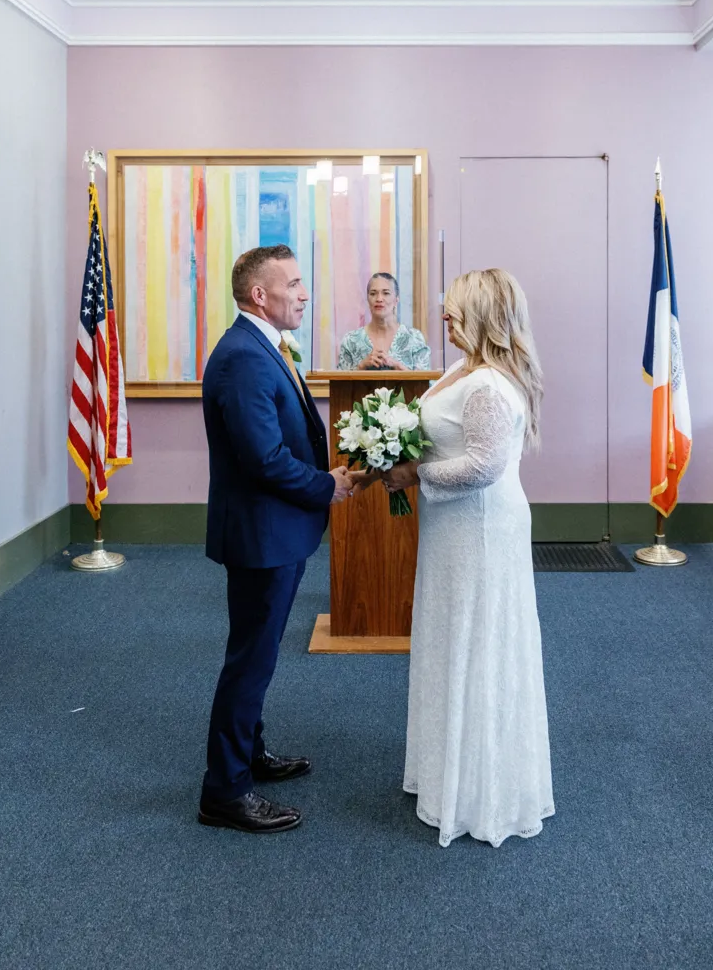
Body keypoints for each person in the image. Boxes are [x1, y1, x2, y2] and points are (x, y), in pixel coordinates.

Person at [354, 268, 553, 847]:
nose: (443, 314)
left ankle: (480, 792)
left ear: (483, 313)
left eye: (454, 307)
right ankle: (448, 771)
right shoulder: (462, 368)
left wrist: (413, 473)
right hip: (454, 529)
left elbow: (484, 466)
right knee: (450, 638)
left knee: (478, 643)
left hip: (480, 529)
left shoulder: (488, 383)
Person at [199, 244, 352, 834]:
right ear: (259, 294)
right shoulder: (243, 357)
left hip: (278, 532)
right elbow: (263, 459)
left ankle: (249, 755)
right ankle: (224, 790)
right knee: (250, 662)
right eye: (293, 283)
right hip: (262, 535)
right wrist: (326, 487)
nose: (304, 293)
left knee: (256, 658)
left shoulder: (263, 347)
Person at [337, 272, 431, 371]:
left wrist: (397, 366)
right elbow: (340, 385)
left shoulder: (414, 338)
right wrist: (361, 366)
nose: (379, 299)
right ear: (368, 299)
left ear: (396, 299)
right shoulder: (351, 341)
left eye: (386, 293)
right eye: (373, 294)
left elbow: (426, 384)